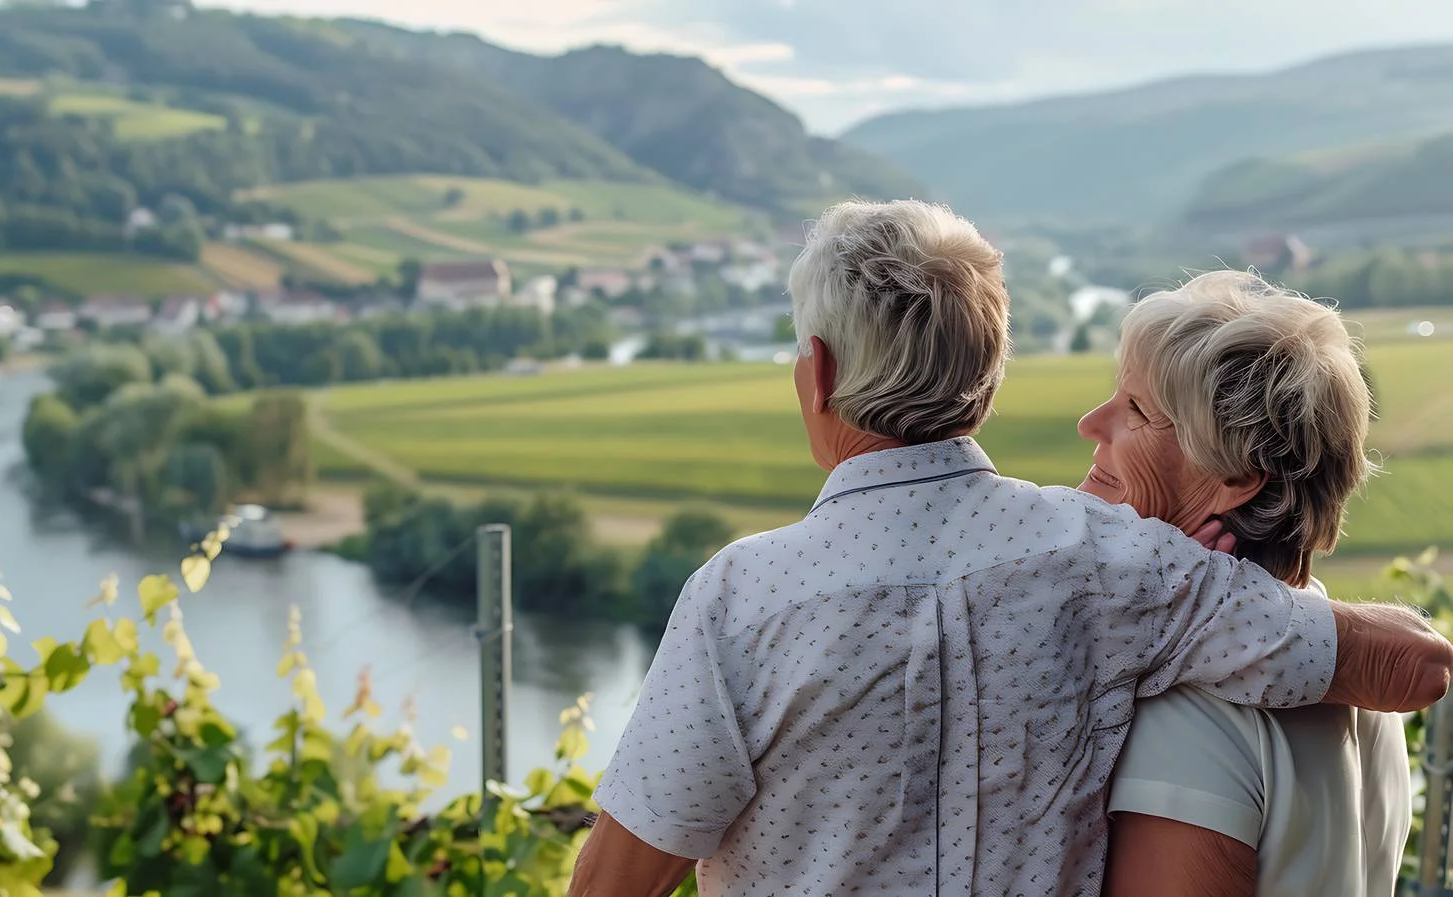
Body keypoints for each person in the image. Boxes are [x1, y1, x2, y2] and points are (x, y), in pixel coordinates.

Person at [566, 200, 1450, 897]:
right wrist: (1226, 585)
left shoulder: (740, 599)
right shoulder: (1118, 567)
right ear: (986, 378)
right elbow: (1415, 669)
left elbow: (612, 886)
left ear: (819, 374)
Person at [1092, 271, 1413, 897]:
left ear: (1235, 474)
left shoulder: (1185, 707)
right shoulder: (1352, 674)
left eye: (1134, 410)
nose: (1090, 423)